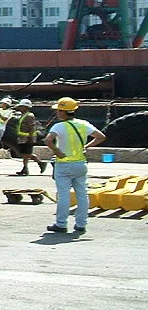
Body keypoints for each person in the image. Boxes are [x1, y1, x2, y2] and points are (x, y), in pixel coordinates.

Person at [44, 97, 106, 234]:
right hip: (80, 164)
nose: (57, 114)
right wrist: (86, 147)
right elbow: (101, 136)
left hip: (64, 165)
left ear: (63, 112)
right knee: (82, 195)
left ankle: (61, 224)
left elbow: (48, 140)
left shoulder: (58, 126)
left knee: (64, 195)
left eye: (58, 111)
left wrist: (57, 151)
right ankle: (81, 224)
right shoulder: (84, 124)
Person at [14, 98, 46, 176]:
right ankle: (25, 169)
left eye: (21, 106)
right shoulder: (23, 115)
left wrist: (31, 138)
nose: (20, 108)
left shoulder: (30, 116)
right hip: (22, 138)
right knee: (25, 155)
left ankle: (40, 163)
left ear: (26, 107)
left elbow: (32, 127)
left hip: (27, 138)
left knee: (25, 154)